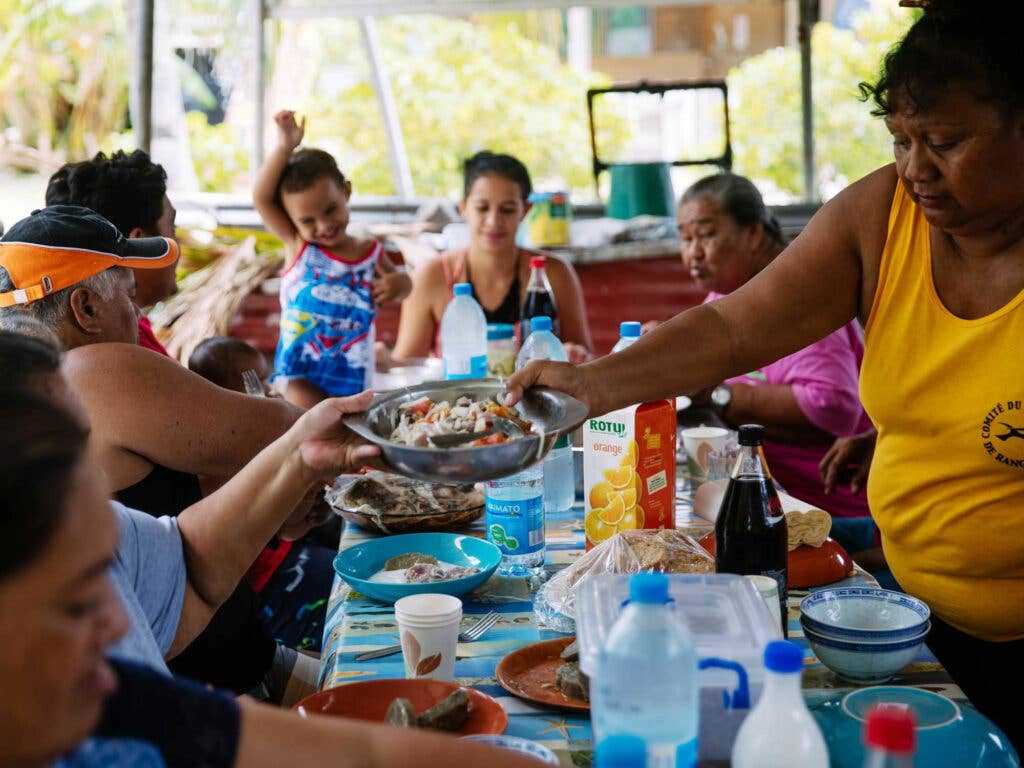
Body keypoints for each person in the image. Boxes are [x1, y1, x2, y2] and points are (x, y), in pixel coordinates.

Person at [510, 0, 1023, 749]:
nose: (916, 168)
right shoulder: (883, 216)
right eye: (902, 140)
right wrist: (596, 386)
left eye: (945, 142)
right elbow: (731, 326)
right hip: (900, 621)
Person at [0, 393, 539, 768]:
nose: (124, 620)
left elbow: (183, 571)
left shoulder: (120, 702)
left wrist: (299, 457)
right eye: (74, 603)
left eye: (113, 573)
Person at [0, 206, 303, 693]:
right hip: (215, 692)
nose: (138, 316)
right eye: (129, 297)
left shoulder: (26, 396)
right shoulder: (93, 370)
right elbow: (287, 431)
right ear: (86, 308)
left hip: (192, 673)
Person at [0, 326, 371, 695]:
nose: (97, 475)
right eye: (68, 460)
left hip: (253, 669)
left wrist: (299, 456)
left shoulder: (97, 529)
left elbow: (189, 575)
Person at [672, 173, 880, 563]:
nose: (694, 253)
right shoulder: (726, 295)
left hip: (825, 510)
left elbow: (834, 404)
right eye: (685, 239)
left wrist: (725, 395)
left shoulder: (801, 300)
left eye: (706, 235)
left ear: (752, 234)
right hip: (777, 498)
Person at [253, 110, 412, 408]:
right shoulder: (298, 244)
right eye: (309, 220)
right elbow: (261, 198)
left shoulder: (370, 252)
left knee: (346, 436)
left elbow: (404, 288)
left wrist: (400, 283)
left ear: (347, 192)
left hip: (353, 374)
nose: (323, 226)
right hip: (303, 372)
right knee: (307, 428)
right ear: (292, 220)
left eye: (330, 210)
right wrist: (284, 148)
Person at [188, 334, 338, 652]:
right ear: (221, 396)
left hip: (283, 551)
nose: (269, 391)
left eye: (267, 380)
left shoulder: (260, 431)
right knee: (342, 584)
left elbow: (289, 526)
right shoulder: (223, 455)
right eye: (254, 383)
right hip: (262, 581)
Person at [392, 150, 592, 363]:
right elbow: (407, 365)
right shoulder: (432, 277)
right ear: (464, 208)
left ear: (525, 210)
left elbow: (584, 362)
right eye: (482, 208)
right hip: (457, 398)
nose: (493, 221)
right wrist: (382, 360)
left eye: (507, 210)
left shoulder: (554, 273)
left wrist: (573, 354)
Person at [45, 149, 179, 356]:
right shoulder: (122, 351)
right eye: (173, 228)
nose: (178, 243)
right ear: (141, 241)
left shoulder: (61, 335)